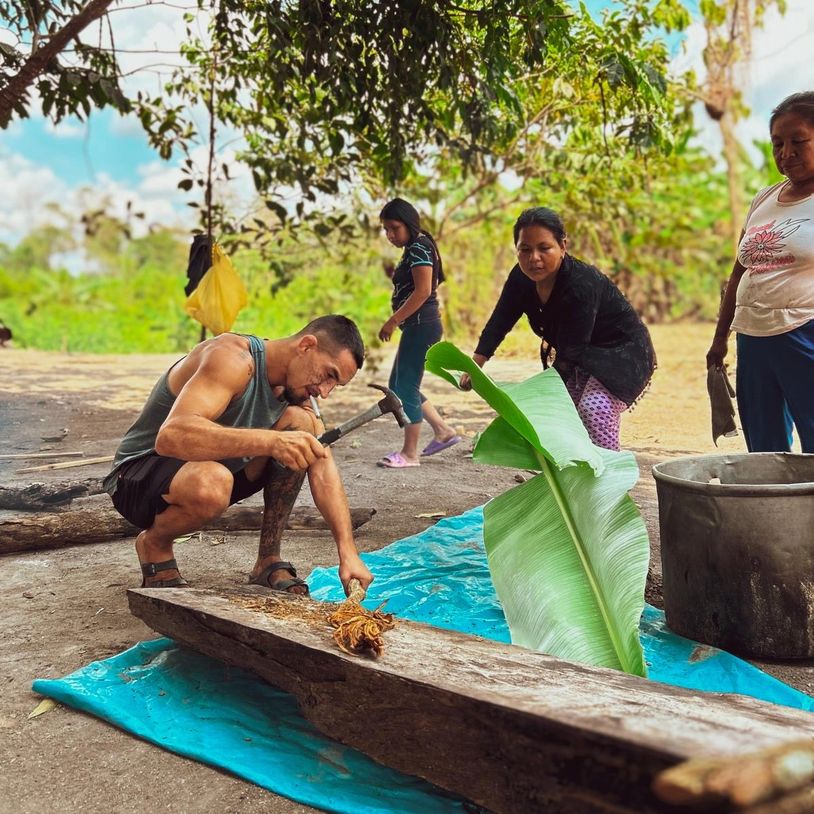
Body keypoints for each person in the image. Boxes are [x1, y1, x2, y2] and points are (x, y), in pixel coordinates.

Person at [103, 315, 374, 596]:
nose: (325, 392)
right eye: (329, 375)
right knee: (214, 481)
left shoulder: (295, 389)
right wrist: (271, 441)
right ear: (306, 345)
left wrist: (349, 553)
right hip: (138, 476)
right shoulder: (231, 360)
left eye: (336, 384)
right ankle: (155, 545)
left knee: (303, 431)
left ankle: (268, 560)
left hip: (208, 472)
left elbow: (323, 465)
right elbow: (171, 436)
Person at [460, 207, 656, 451]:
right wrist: (475, 364)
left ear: (563, 246)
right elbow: (500, 320)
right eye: (525, 250)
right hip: (582, 355)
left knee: (593, 409)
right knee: (566, 418)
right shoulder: (521, 279)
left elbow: (571, 353)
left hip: (623, 354)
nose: (534, 258)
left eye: (544, 248)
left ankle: (607, 476)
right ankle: (571, 476)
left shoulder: (581, 285)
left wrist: (537, 398)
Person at [706, 91, 814, 453]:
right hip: (752, 337)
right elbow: (738, 274)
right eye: (777, 144)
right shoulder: (763, 199)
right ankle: (774, 511)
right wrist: (720, 338)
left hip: (804, 331)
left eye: (798, 141)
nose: (786, 153)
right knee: (764, 452)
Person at [377, 198, 460, 467]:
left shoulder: (419, 247)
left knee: (406, 387)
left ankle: (410, 454)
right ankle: (442, 430)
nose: (390, 235)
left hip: (421, 325)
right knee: (398, 386)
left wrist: (393, 320)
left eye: (394, 228)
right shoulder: (417, 245)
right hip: (417, 326)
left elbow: (423, 291)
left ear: (408, 224)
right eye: (386, 230)